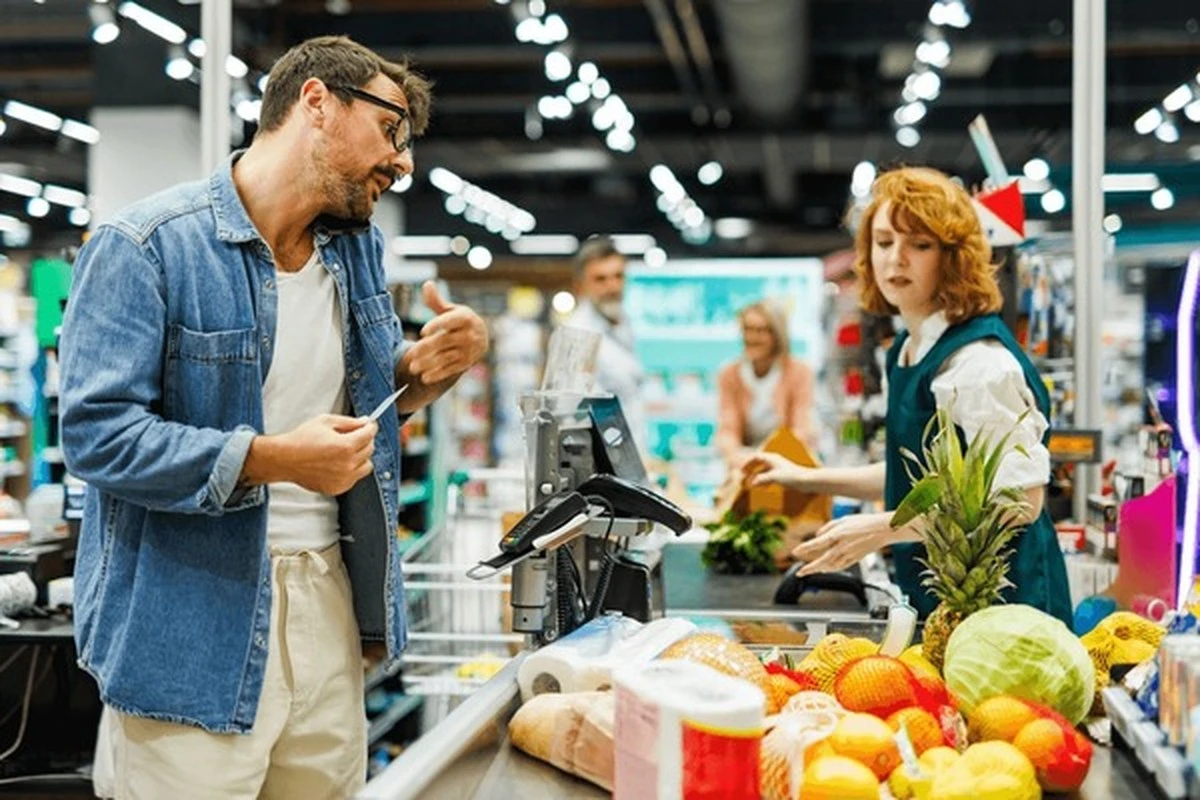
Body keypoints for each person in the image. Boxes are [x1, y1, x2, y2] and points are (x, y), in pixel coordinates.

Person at [59, 36, 489, 798]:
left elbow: (357, 404)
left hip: (329, 607)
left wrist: (421, 377)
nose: (403, 163)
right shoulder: (147, 246)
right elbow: (99, 436)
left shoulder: (354, 250)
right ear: (317, 102)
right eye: (392, 131)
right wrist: (272, 460)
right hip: (189, 622)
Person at [746, 166, 1072, 626]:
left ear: (953, 257)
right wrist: (806, 478)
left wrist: (883, 528)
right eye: (883, 242)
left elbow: (1020, 501)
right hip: (942, 602)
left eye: (920, 245)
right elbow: (911, 475)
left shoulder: (979, 364)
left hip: (1007, 611)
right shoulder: (907, 348)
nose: (895, 259)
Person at [562, 235, 646, 448]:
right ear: (581, 285)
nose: (613, 286)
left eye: (618, 276)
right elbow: (577, 414)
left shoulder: (623, 323)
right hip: (603, 463)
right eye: (601, 279)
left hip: (630, 457)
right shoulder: (578, 334)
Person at [715, 299, 816, 469]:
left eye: (760, 330)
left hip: (788, 463)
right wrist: (734, 454)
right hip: (745, 464)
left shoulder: (799, 372)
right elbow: (728, 428)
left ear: (777, 335)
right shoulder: (729, 374)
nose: (751, 337)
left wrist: (772, 459)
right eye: (747, 329)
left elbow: (801, 429)